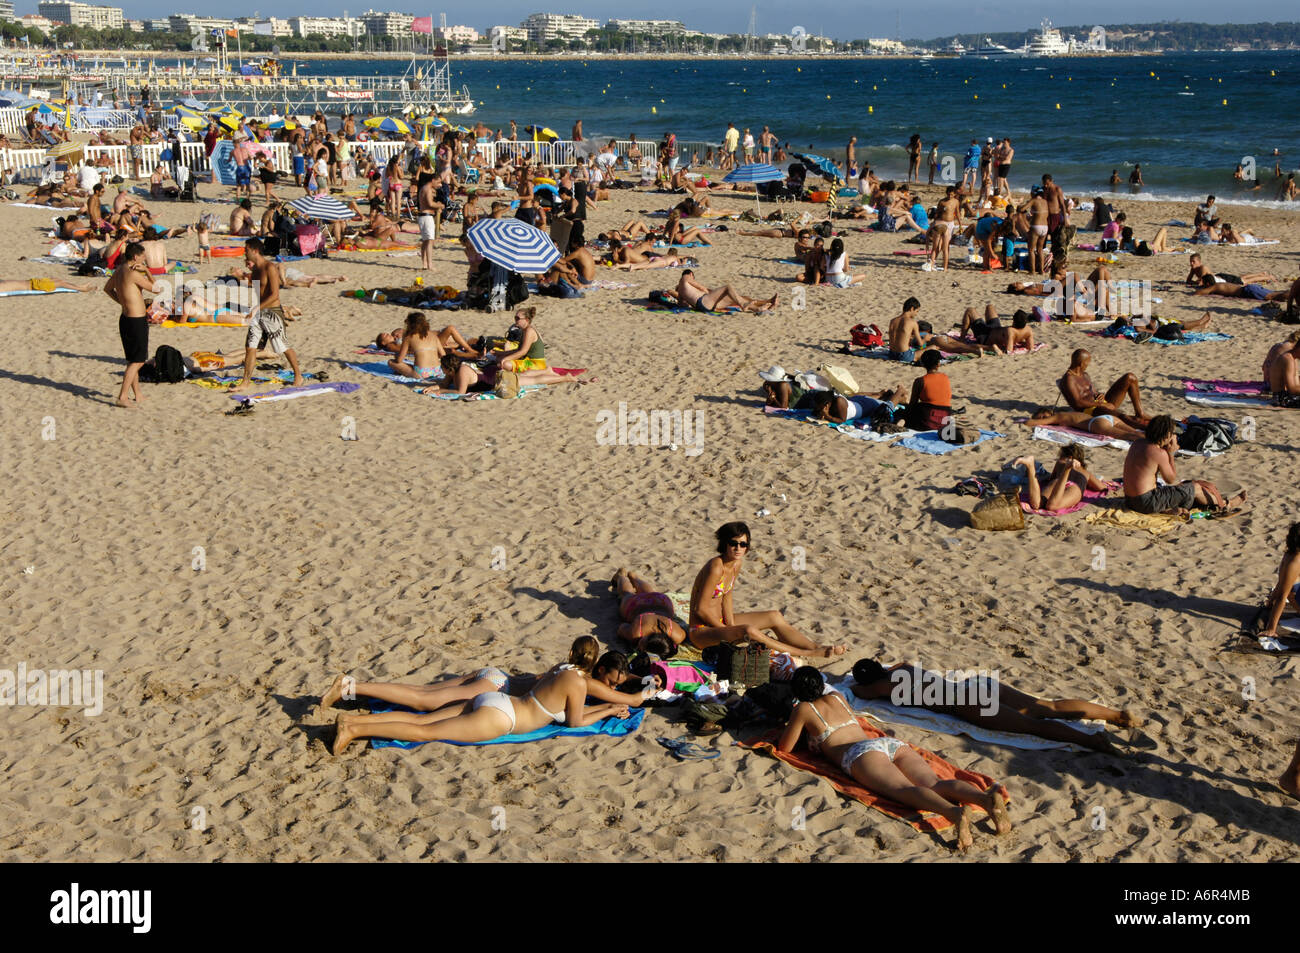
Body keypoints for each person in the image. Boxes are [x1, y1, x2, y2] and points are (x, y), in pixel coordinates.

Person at [779, 667, 1010, 852]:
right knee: (934, 783)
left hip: (859, 753)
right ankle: (985, 799)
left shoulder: (804, 709)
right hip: (889, 744)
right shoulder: (837, 696)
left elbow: (785, 747)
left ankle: (953, 813)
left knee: (904, 789)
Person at [329, 652, 635, 755]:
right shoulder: (581, 684)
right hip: (503, 715)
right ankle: (354, 724)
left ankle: (354, 722)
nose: (609, 688)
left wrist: (611, 704)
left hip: (497, 696)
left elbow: (574, 712)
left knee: (423, 711)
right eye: (610, 681)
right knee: (425, 727)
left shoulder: (563, 670)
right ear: (597, 668)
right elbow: (575, 720)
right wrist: (613, 706)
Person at [849, 659, 1134, 753]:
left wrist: (854, 683)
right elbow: (897, 663)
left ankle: (1093, 741)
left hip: (967, 703)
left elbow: (858, 689)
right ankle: (1116, 715)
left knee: (1034, 727)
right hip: (977, 686)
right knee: (1048, 706)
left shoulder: (880, 687)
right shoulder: (903, 671)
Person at [688, 521, 846, 658]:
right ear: (724, 544)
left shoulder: (736, 563)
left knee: (774, 616)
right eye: (733, 543)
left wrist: (730, 626)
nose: (738, 548)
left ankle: (814, 647)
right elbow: (700, 609)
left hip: (721, 623)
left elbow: (727, 595)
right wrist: (726, 629)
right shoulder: (716, 566)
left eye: (743, 544)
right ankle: (807, 654)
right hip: (702, 631)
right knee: (748, 631)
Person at [1122, 415, 1244, 515]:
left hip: (1130, 500)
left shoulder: (1137, 443)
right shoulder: (1158, 453)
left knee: (1184, 490)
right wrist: (1170, 453)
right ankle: (1226, 504)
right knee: (1194, 487)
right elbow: (1170, 479)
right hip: (1147, 502)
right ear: (1166, 436)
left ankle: (1169, 509)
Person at [234, 238, 303, 390]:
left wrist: (256, 308)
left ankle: (298, 375)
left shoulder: (270, 267)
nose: (244, 252)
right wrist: (241, 277)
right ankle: (245, 382)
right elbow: (257, 288)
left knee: (282, 346)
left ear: (255, 250)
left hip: (272, 312)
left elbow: (274, 294)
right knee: (250, 346)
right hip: (259, 313)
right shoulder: (256, 270)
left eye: (246, 250)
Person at [101, 242, 153, 409]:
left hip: (125, 318)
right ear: (136, 257)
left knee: (132, 359)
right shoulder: (134, 274)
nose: (145, 259)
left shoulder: (119, 270)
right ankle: (123, 396)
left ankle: (137, 393)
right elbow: (157, 288)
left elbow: (107, 289)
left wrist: (122, 302)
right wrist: (147, 272)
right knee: (138, 361)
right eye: (143, 256)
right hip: (136, 320)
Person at [1060, 349, 1147, 428]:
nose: (1088, 365)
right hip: (1091, 411)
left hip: (1100, 404)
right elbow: (1078, 403)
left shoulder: (1085, 375)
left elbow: (1093, 393)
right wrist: (1101, 405)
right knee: (1124, 417)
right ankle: (1147, 430)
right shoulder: (1069, 379)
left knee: (1130, 377)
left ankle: (1140, 413)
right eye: (1087, 362)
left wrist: (1100, 396)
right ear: (1081, 363)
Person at [1011, 447, 1111, 511]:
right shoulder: (1086, 472)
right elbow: (1101, 488)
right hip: (1074, 487)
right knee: (1052, 506)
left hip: (1057, 482)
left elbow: (1051, 478)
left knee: (1037, 504)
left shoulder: (1060, 462)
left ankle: (1030, 466)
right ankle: (1067, 470)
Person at [612, 568, 686, 647]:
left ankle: (634, 577)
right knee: (625, 594)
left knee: (650, 593)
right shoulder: (636, 633)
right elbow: (622, 628)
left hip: (662, 602)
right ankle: (621, 576)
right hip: (636, 606)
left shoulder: (679, 636)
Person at [671, 270, 777, 314]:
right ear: (690, 274)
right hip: (704, 300)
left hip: (703, 306)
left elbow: (681, 304)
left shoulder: (680, 289)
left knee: (734, 298)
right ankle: (745, 305)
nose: (693, 279)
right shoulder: (686, 277)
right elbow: (703, 288)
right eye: (693, 277)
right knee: (728, 287)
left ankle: (759, 308)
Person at [1026, 407, 1144, 440]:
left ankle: (1154, 440)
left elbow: (1032, 422)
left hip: (1096, 423)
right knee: (1135, 432)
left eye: (1042, 416)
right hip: (1107, 418)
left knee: (1129, 436)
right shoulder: (1065, 413)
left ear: (1048, 412)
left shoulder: (1057, 416)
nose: (1043, 420)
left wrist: (1024, 421)